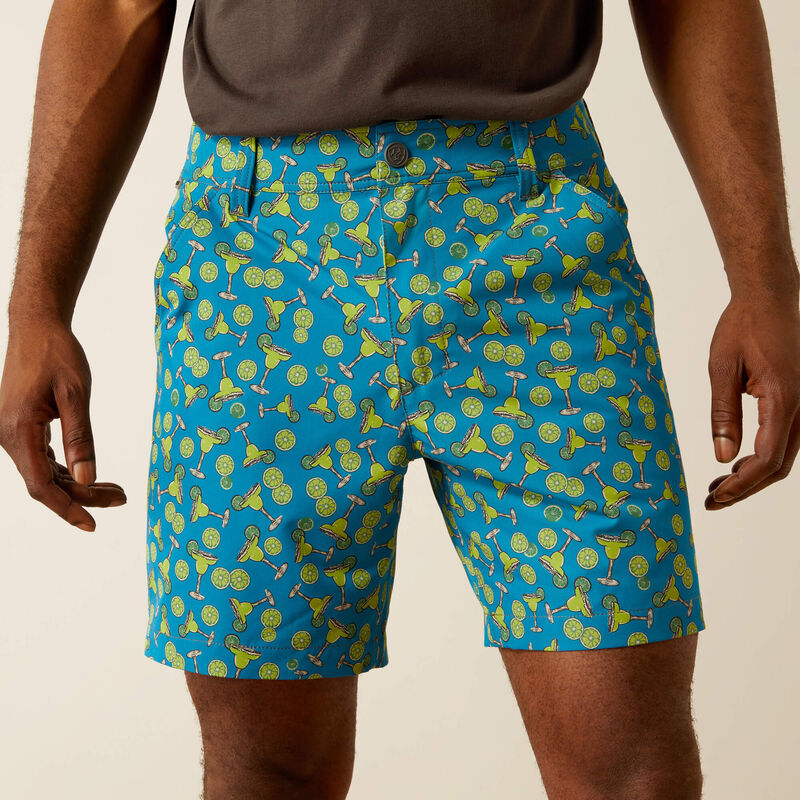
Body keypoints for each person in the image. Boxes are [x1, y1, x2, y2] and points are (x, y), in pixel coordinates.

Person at [1, 1, 798, 798]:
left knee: (631, 772)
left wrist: (765, 281)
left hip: (532, 236)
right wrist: (37, 304)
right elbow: (112, 10)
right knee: (266, 775)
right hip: (261, 264)